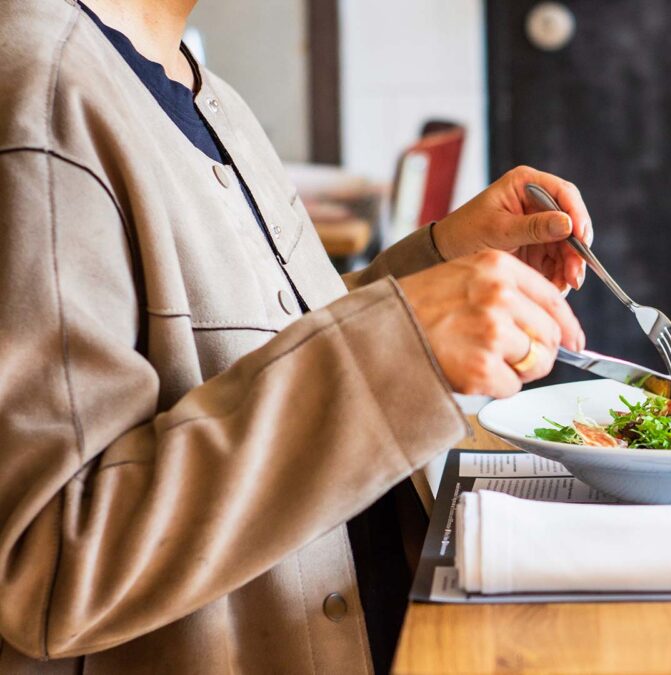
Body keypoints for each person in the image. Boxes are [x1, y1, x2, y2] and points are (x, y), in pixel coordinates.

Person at [0, 0, 592, 672]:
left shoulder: (204, 93)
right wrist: (398, 344)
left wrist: (438, 263)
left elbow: (265, 356)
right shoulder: (43, 96)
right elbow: (47, 569)